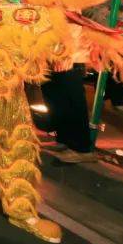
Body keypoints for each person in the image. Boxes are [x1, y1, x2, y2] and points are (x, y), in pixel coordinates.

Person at [41, 16, 97, 163]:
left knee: (71, 98)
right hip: (50, 50)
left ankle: (82, 148)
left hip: (69, 52)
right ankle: (65, 140)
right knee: (55, 97)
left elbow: (72, 18)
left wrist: (64, 50)